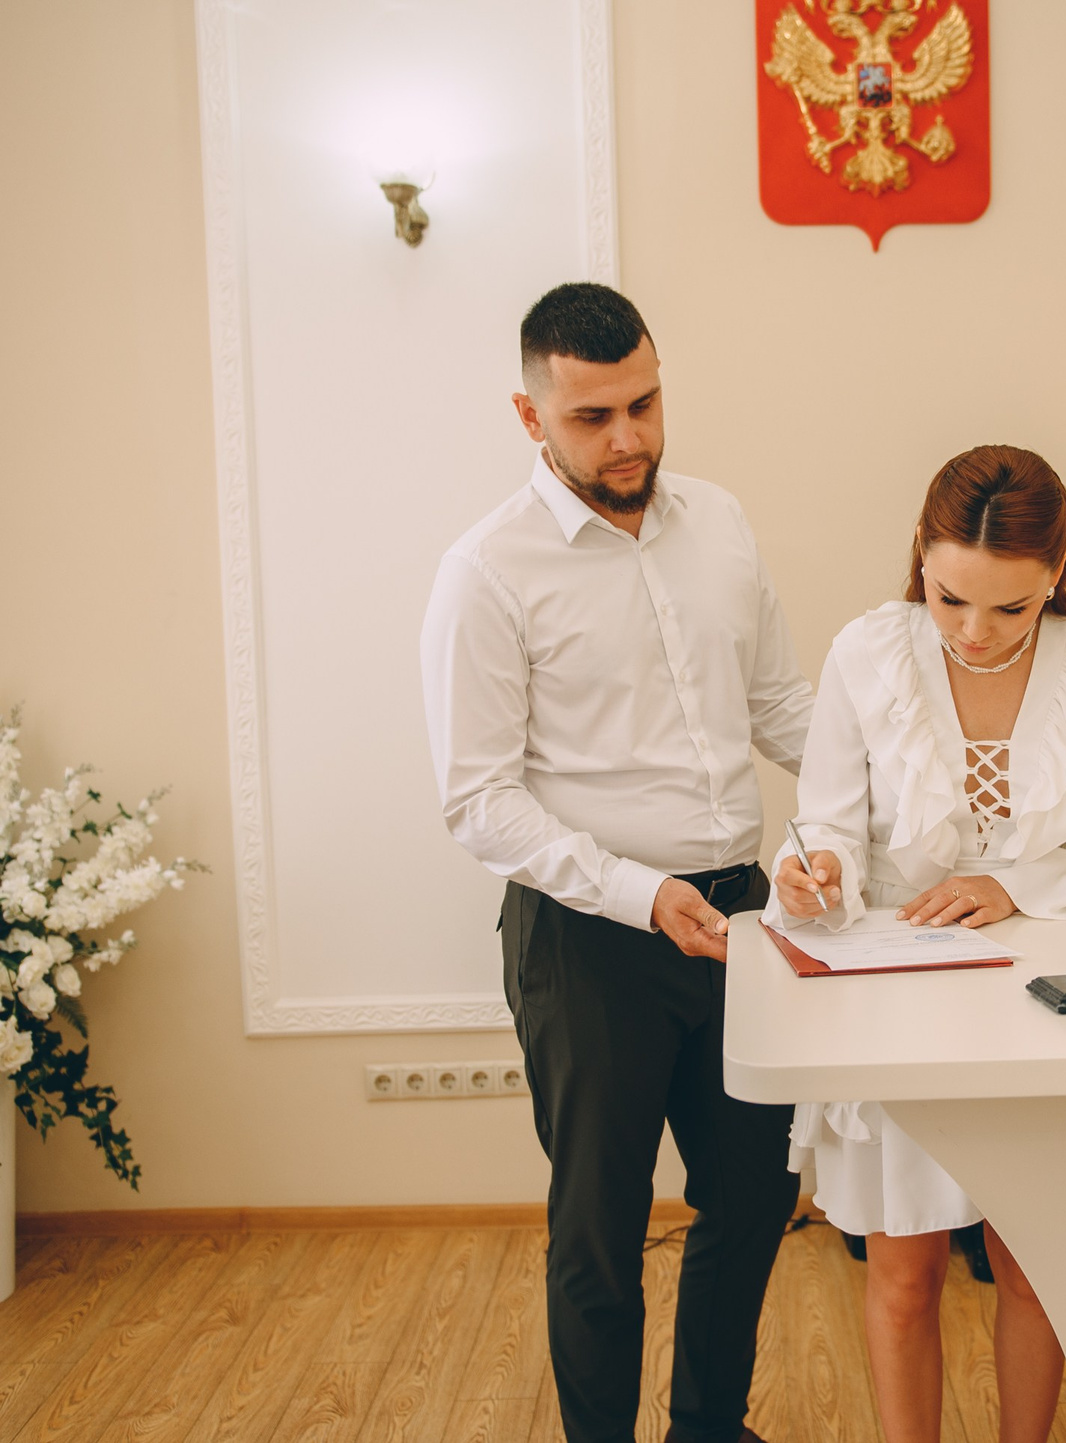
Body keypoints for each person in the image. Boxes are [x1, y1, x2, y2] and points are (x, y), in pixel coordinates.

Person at [421, 282, 812, 1443]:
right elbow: (479, 800)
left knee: (756, 1196)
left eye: (644, 404)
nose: (629, 437)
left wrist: (864, 811)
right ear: (529, 415)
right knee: (599, 1224)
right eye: (593, 417)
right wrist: (643, 896)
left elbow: (782, 708)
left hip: (741, 924)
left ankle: (708, 1429)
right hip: (589, 937)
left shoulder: (721, 521)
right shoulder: (487, 571)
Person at [767, 445, 1066, 1443]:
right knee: (904, 1270)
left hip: (1048, 987)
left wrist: (1014, 884)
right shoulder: (868, 653)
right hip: (897, 979)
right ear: (920, 552)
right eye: (950, 599)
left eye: (1011, 608)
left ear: (1059, 570)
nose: (975, 631)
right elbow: (827, 820)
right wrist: (817, 871)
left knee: (1034, 1267)